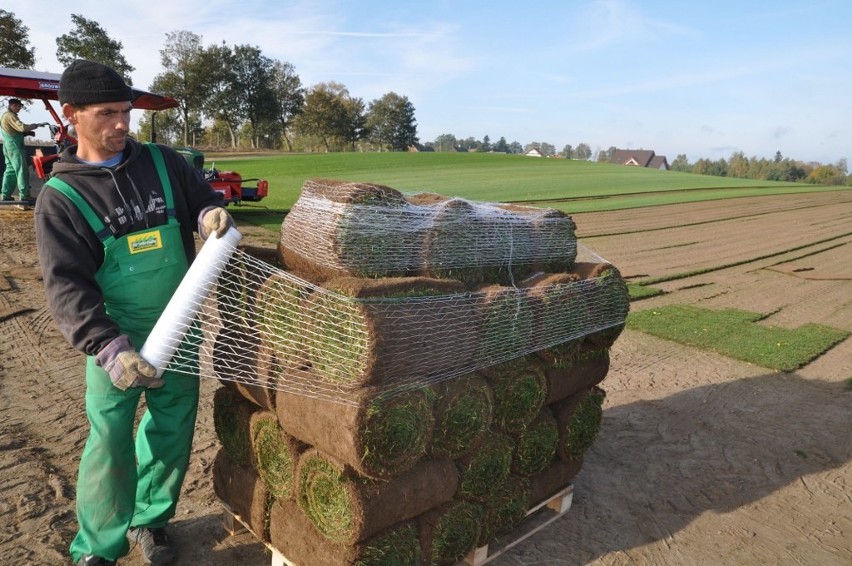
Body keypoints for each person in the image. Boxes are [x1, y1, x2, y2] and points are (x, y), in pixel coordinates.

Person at [34, 59, 234, 566]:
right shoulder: (61, 198)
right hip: (115, 340)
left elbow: (201, 201)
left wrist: (209, 212)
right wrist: (107, 346)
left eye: (126, 112)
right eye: (107, 114)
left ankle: (151, 519)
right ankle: (98, 547)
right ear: (72, 114)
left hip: (179, 325)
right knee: (109, 441)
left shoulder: (164, 163)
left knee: (172, 428)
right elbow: (67, 287)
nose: (122, 124)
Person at [1, 97, 49, 204]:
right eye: (16, 106)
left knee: (10, 171)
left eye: (19, 107)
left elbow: (15, 131)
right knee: (22, 171)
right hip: (15, 148)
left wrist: (27, 133)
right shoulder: (10, 116)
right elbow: (22, 127)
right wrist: (36, 125)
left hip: (8, 147)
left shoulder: (5, 116)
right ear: (10, 106)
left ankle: (6, 195)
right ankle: (25, 195)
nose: (18, 108)